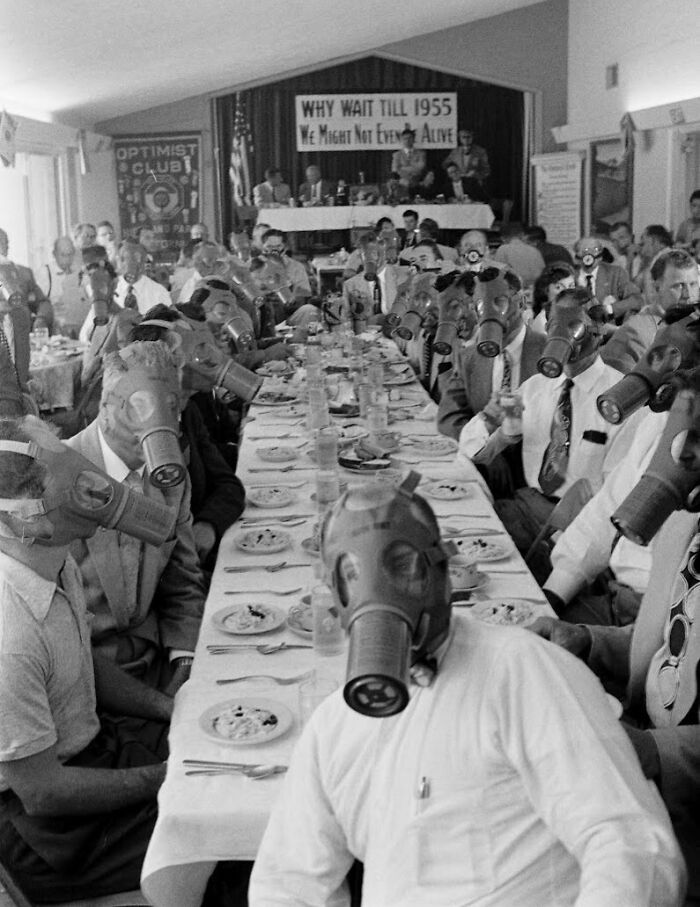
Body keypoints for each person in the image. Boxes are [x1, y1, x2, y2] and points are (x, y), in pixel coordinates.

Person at [249, 477, 685, 907]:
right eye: (353, 574)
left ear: (442, 574)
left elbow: (633, 847)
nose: (376, 591)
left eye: (401, 565)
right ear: (335, 596)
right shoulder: (334, 727)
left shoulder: (522, 672)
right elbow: (287, 883)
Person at [530, 375, 700, 900]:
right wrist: (585, 641)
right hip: (637, 757)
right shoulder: (684, 527)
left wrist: (650, 751)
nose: (682, 451)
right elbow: (673, 646)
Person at [0, 415, 174, 901]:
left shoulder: (52, 562)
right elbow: (43, 793)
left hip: (93, 750)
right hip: (42, 825)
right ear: (23, 517)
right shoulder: (8, 631)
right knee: (220, 847)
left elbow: (81, 659)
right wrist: (165, 779)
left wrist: (169, 708)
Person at [465, 288, 641, 577]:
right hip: (524, 508)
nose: (561, 335)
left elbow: (615, 496)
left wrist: (560, 542)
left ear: (596, 330)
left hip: (576, 525)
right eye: (554, 325)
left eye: (573, 326)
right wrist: (490, 422)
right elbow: (478, 455)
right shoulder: (536, 388)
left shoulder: (621, 400)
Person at [66, 341, 205, 690]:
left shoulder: (172, 480)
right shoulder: (59, 477)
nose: (154, 423)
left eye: (168, 408)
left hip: (156, 656)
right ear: (105, 406)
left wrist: (185, 657)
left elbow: (182, 580)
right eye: (138, 407)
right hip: (84, 675)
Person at [130, 310, 246, 571]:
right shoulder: (138, 433)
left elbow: (228, 484)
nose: (207, 356)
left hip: (202, 550)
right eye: (197, 348)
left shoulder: (189, 412)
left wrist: (208, 524)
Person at [438, 269, 547, 496]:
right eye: (481, 306)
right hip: (485, 473)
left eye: (499, 302)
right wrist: (486, 451)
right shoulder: (470, 358)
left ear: (522, 302)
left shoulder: (548, 354)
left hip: (538, 479)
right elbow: (449, 418)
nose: (490, 313)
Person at [601, 248, 700, 374]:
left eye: (693, 284)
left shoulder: (695, 326)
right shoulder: (635, 335)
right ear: (657, 287)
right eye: (678, 286)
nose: (688, 295)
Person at [79, 240, 171, 341]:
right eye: (124, 259)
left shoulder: (159, 293)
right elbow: (85, 335)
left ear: (145, 262)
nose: (130, 264)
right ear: (117, 261)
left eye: (137, 259)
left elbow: (169, 332)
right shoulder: (107, 288)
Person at [574, 235, 643, 322]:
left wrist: (610, 309)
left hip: (609, 330)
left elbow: (636, 300)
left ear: (600, 257)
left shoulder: (616, 273)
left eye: (594, 250)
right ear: (577, 258)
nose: (590, 255)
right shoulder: (569, 276)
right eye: (585, 250)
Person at [0, 227, 53, 331]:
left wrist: (41, 319)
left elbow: (43, 303)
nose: (2, 248)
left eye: (4, 243)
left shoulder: (23, 273)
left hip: (22, 335)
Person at [36, 236, 87, 337]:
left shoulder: (80, 272)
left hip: (79, 323)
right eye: (63, 255)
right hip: (55, 327)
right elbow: (38, 305)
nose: (67, 259)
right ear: (54, 254)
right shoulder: (45, 273)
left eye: (70, 254)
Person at [493, 223, 545, 288]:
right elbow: (541, 273)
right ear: (522, 235)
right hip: (533, 290)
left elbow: (497, 274)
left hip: (513, 290)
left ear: (503, 238)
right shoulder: (534, 250)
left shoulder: (503, 249)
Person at [390, 127, 426, 192]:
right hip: (402, 183)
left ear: (413, 139)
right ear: (402, 140)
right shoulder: (396, 155)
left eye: (409, 138)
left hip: (417, 182)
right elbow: (395, 170)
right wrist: (413, 167)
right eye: (405, 138)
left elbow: (420, 168)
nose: (407, 140)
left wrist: (403, 168)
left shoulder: (421, 154)